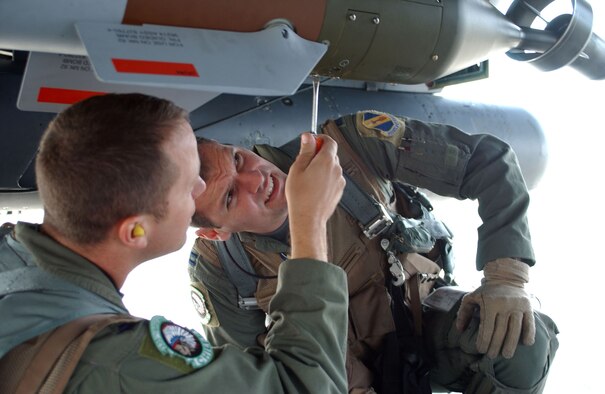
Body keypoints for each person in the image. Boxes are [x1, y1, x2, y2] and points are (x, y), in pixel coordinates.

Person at [188, 110, 559, 393]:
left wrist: (507, 278)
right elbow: (262, 376)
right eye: (232, 196)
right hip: (343, 378)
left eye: (237, 159)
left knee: (520, 342)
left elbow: (487, 161)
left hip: (429, 322)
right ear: (214, 232)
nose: (258, 179)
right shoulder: (222, 270)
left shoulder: (347, 148)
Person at [0, 93, 349, 393]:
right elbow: (305, 385)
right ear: (135, 232)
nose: (199, 190)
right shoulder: (122, 362)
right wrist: (309, 220)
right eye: (187, 187)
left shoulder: (12, 265)